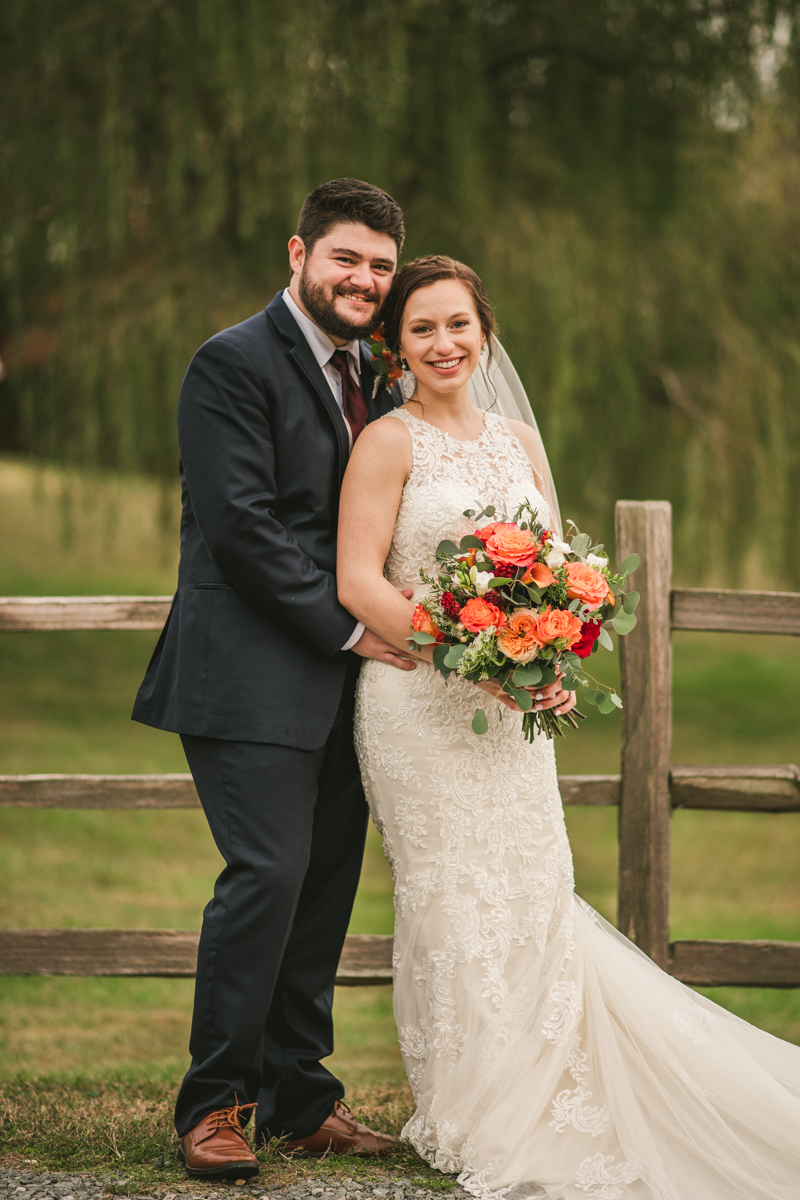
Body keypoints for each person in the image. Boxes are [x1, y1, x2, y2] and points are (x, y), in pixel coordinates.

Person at [337, 255, 800, 1200]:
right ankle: (474, 1102)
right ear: (398, 346)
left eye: (458, 324)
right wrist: (469, 654)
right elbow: (357, 582)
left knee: (531, 885)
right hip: (418, 707)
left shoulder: (517, 442)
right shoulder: (388, 442)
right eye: (421, 329)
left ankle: (548, 1087)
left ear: (485, 330)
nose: (443, 344)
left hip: (511, 714)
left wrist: (545, 668)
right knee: (450, 897)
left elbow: (553, 578)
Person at [132, 178, 416, 1179]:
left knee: (325, 890)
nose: (364, 278)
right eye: (346, 257)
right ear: (296, 255)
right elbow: (242, 527)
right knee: (267, 878)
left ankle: (303, 1097)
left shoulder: (373, 372)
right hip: (250, 672)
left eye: (380, 265)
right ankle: (215, 1108)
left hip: (352, 682)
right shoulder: (231, 362)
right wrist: (350, 628)